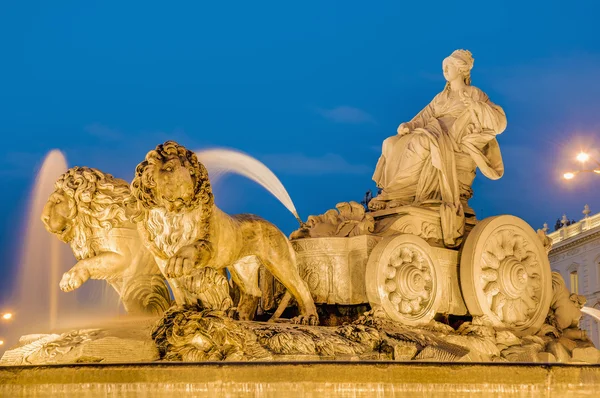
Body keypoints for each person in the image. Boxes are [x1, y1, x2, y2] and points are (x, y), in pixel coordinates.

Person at [370, 50, 507, 246]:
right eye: (444, 67)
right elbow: (423, 117)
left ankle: (397, 195)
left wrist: (476, 107)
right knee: (389, 142)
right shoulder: (440, 97)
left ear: (460, 69)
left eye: (448, 66)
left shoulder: (474, 93)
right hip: (433, 131)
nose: (444, 70)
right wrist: (409, 125)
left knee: (421, 143)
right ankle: (391, 194)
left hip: (452, 139)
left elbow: (499, 123)